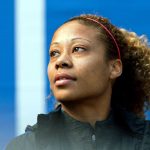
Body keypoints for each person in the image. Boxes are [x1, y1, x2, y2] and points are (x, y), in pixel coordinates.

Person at [6, 14, 150, 150]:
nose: (60, 61)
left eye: (78, 49)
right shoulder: (25, 146)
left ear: (114, 68)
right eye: (54, 53)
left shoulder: (145, 141)